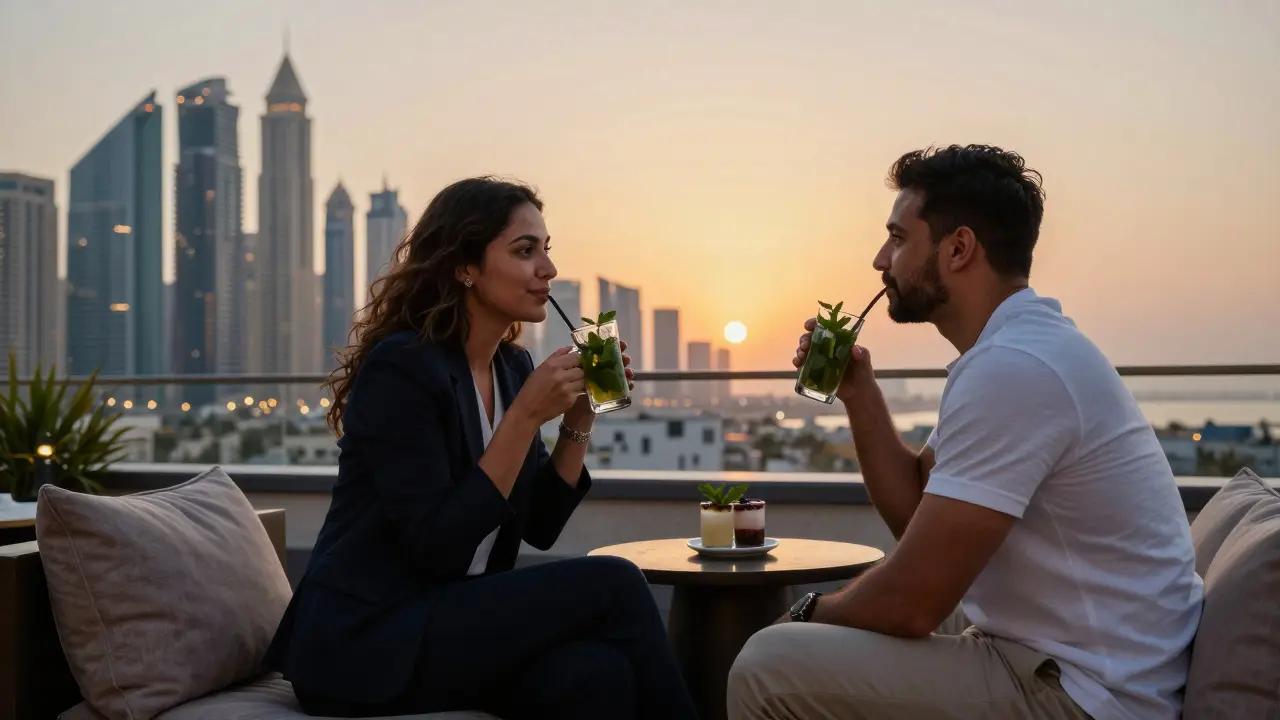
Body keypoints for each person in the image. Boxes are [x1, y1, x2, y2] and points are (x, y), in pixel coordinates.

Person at [728, 145, 1204, 720]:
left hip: (1091, 693)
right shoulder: (1013, 351)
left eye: (898, 238)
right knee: (839, 618)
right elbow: (916, 510)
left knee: (768, 665)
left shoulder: (1016, 369)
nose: (880, 259)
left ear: (958, 248)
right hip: (1065, 654)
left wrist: (807, 611)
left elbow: (914, 603)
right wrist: (860, 395)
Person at [264, 176, 698, 720]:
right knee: (614, 580)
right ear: (464, 267)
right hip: (367, 638)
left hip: (449, 620)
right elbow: (436, 548)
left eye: (546, 249)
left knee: (596, 674)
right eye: (525, 250)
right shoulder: (402, 368)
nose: (548, 269)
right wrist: (525, 416)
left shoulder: (512, 369)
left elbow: (541, 525)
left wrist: (580, 415)